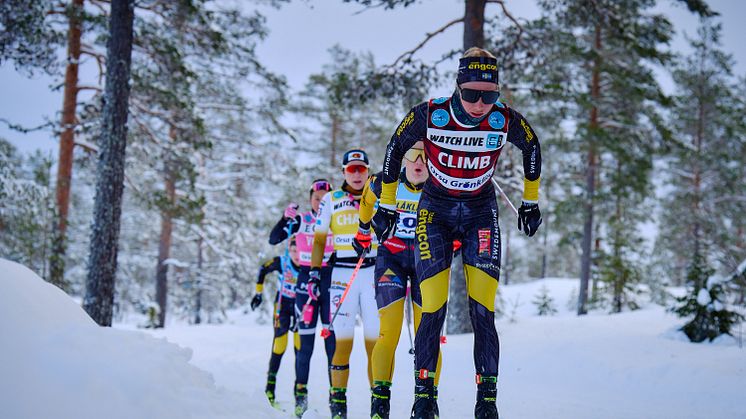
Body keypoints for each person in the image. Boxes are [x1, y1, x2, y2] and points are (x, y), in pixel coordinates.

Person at [372, 47, 543, 419]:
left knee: (483, 310)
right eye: (472, 94)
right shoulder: (430, 114)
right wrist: (385, 204)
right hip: (435, 212)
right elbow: (393, 149)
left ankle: (487, 402)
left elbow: (531, 146)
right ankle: (424, 397)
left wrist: (531, 201)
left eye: (489, 95)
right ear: (458, 86)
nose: (480, 104)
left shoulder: (503, 118)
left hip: (480, 214)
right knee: (433, 307)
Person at [352, 141, 440, 419]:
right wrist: (363, 231)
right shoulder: (382, 183)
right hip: (391, 260)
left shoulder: (441, 189)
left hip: (426, 262)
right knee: (389, 332)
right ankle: (380, 404)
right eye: (413, 156)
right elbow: (366, 204)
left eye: (426, 158)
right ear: (403, 160)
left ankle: (427, 403)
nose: (419, 162)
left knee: (428, 336)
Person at [309, 149, 379, 419]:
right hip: (342, 275)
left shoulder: (378, 193)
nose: (357, 174)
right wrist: (315, 272)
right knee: (343, 343)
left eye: (362, 169)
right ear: (343, 173)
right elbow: (318, 239)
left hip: (373, 272)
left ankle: (378, 405)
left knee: (375, 343)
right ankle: (338, 407)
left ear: (368, 170)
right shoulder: (331, 199)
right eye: (352, 170)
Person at [268, 179, 336, 418]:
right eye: (316, 198)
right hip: (306, 280)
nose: (320, 202)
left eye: (324, 198)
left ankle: (336, 398)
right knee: (304, 346)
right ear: (310, 200)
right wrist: (285, 219)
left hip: (330, 280)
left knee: (332, 344)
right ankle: (301, 398)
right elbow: (274, 239)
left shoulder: (337, 219)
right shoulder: (303, 220)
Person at [251, 235, 301, 408]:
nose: (296, 254)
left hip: (301, 308)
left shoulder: (309, 264)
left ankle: (299, 395)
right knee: (279, 345)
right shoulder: (283, 261)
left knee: (300, 349)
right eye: (293, 250)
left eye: (299, 250)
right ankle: (270, 391)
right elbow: (263, 269)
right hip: (282, 306)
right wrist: (258, 293)